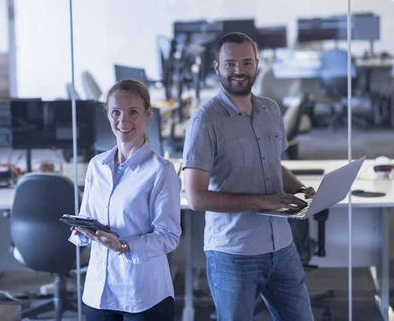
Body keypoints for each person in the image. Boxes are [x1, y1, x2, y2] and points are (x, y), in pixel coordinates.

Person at [182, 32, 315, 321]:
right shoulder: (205, 121)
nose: (239, 71)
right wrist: (263, 201)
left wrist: (302, 188)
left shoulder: (271, 110)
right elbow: (195, 197)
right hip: (234, 253)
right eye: (230, 64)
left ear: (257, 64)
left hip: (281, 245)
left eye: (246, 62)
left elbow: (272, 164)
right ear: (216, 66)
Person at [69, 78, 181, 321]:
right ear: (108, 115)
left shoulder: (160, 171)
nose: (123, 120)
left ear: (147, 114)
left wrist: (123, 246)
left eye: (133, 112)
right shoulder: (96, 165)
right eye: (116, 112)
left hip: (142, 293)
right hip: (99, 290)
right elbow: (88, 214)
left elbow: (169, 236)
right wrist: (82, 231)